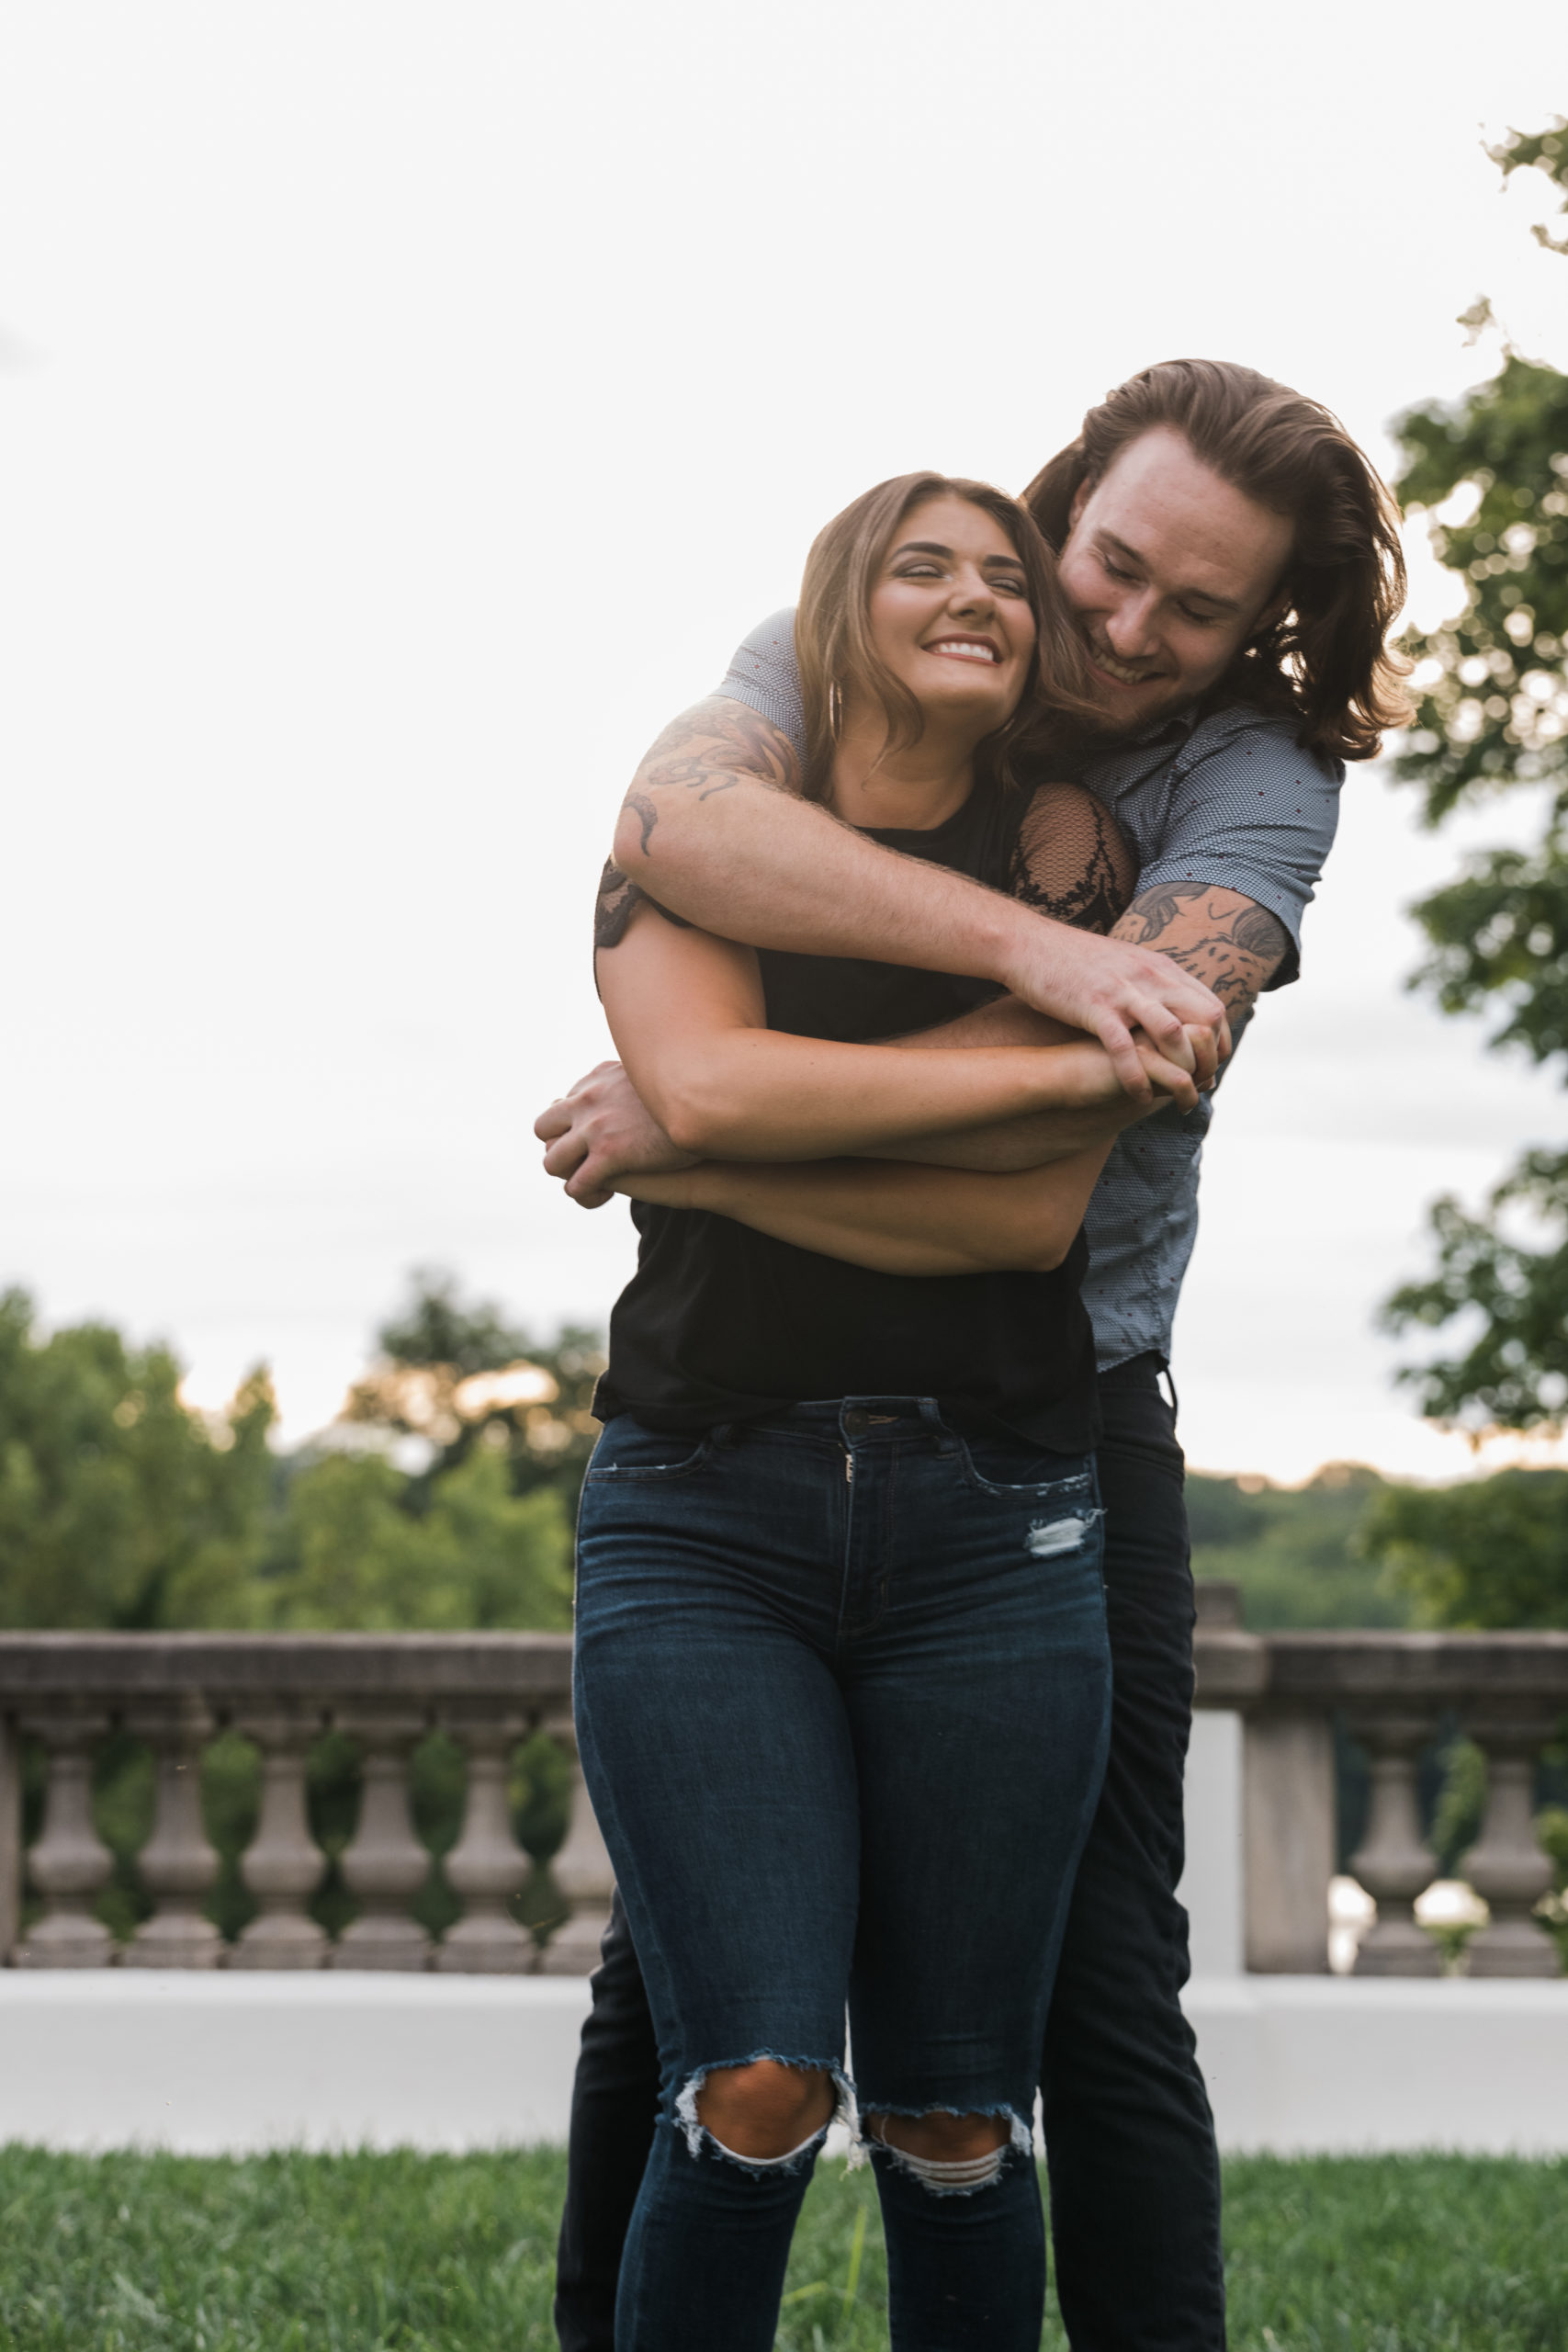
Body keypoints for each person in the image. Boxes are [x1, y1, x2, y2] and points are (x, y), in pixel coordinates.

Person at [541, 361, 1412, 2352]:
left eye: (1186, 609)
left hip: (1056, 1411)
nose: (1118, 631)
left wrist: (715, 1114)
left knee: (1096, 1963)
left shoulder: (1255, 772)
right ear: (1065, 505)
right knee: (673, 1982)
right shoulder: (886, 620)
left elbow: (1107, 1100)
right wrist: (1041, 952)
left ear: (1254, 622)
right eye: (1105, 566)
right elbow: (670, 826)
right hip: (743, 1416)